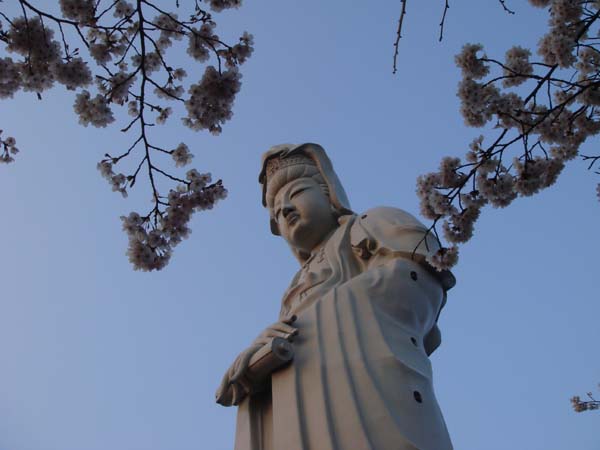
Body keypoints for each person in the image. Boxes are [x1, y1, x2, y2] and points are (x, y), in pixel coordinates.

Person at [216, 143, 455, 450]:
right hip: (305, 405)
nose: (285, 210)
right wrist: (258, 357)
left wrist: (316, 319)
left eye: (297, 193)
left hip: (369, 385)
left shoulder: (370, 223)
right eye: (276, 212)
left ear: (328, 195)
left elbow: (417, 279)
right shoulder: (295, 288)